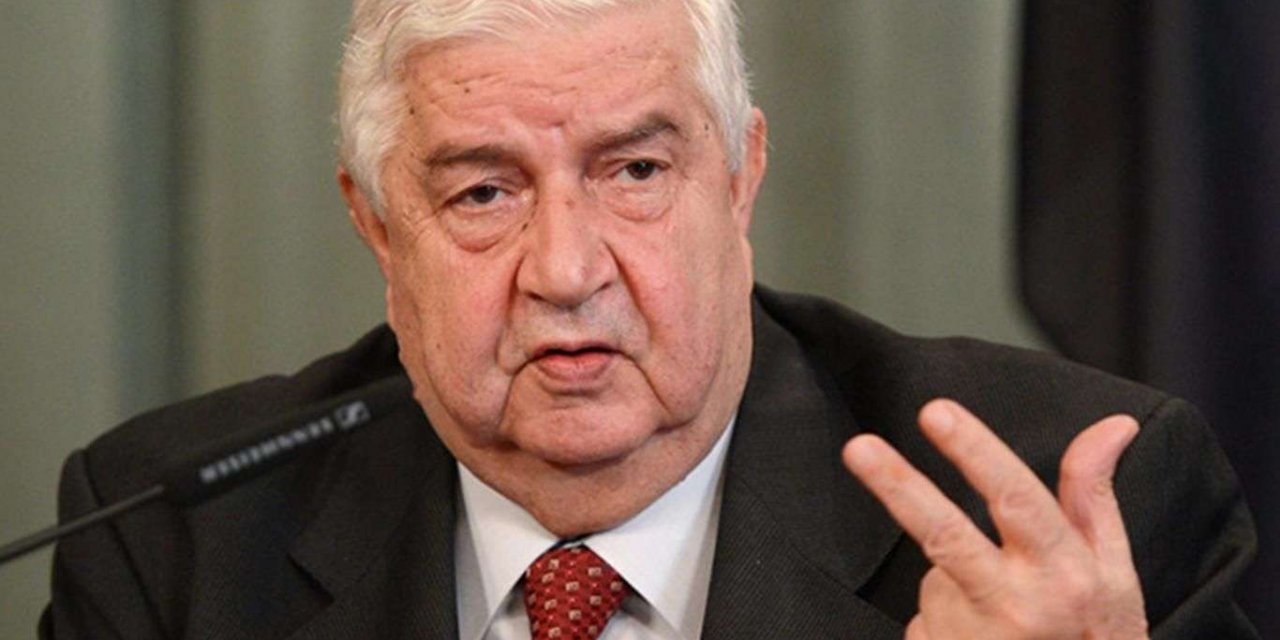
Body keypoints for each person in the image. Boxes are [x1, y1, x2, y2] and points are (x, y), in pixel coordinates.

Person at [42, 0, 1257, 638]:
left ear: (738, 177)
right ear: (375, 223)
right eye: (482, 192)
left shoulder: (1067, 524)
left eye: (634, 171)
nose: (566, 270)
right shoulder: (175, 543)